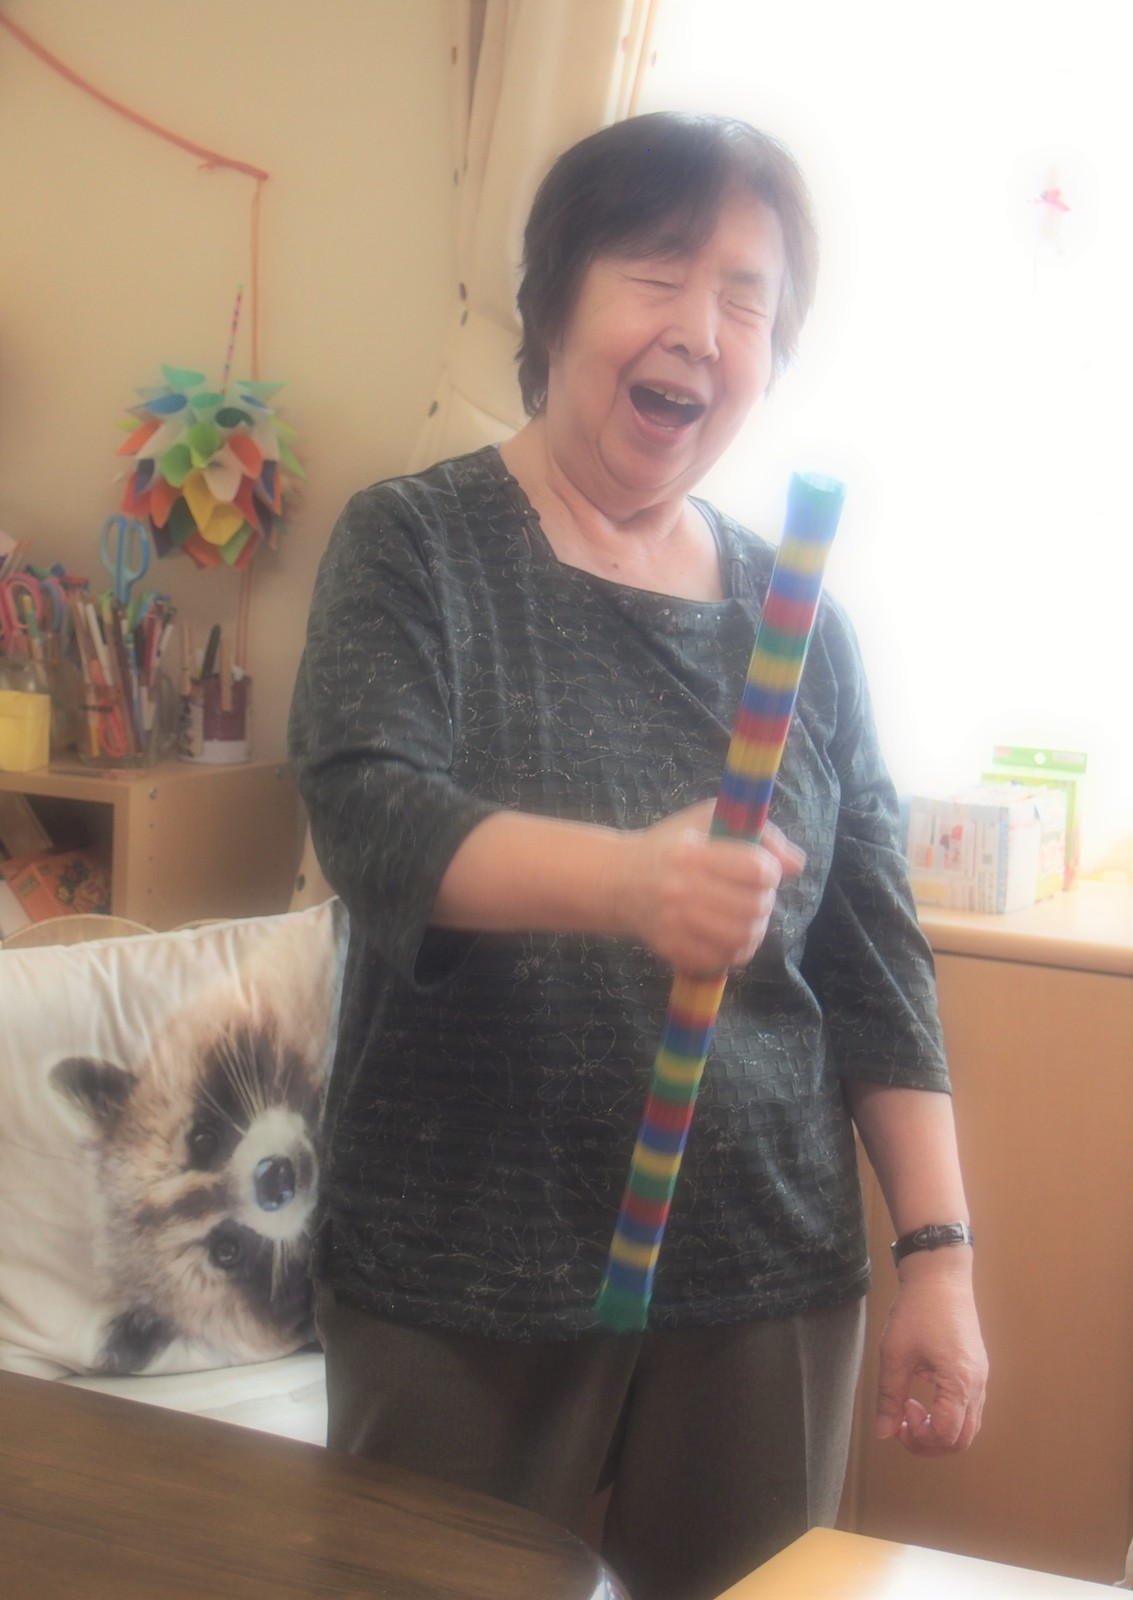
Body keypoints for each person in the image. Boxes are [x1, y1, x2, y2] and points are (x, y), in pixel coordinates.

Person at [288, 111, 987, 1600]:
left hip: (765, 1268)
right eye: (658, 272)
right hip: (459, 1270)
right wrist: (630, 884)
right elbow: (370, 816)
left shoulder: (800, 623)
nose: (700, 329)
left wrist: (937, 1252)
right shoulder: (416, 545)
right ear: (555, 302)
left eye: (747, 299)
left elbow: (874, 955)